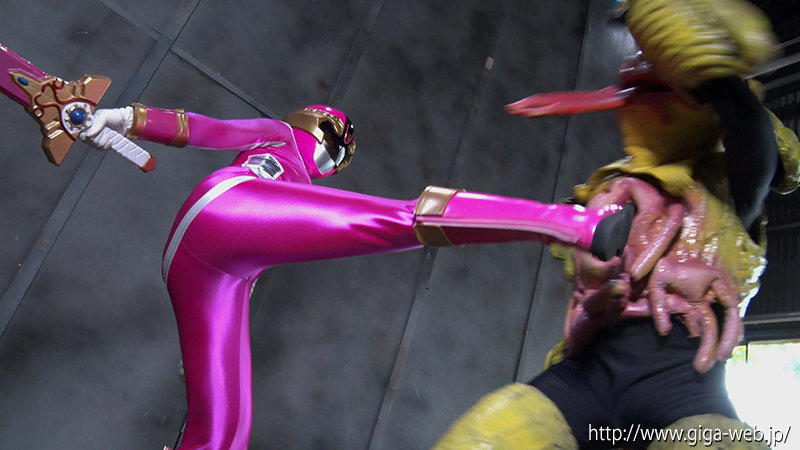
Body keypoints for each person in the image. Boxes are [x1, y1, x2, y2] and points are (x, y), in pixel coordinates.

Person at [81, 99, 634, 448]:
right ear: (312, 120)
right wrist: (128, 118)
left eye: (340, 156)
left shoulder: (298, 193)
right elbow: (208, 128)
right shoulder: (278, 135)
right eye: (334, 138)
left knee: (225, 432)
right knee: (398, 219)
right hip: (225, 208)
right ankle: (573, 223)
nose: (335, 154)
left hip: (214, 274)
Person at [434, 0, 800, 448]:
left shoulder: (727, 191)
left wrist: (711, 74)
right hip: (581, 382)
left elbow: (752, 139)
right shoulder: (604, 196)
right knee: (481, 438)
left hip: (683, 393)